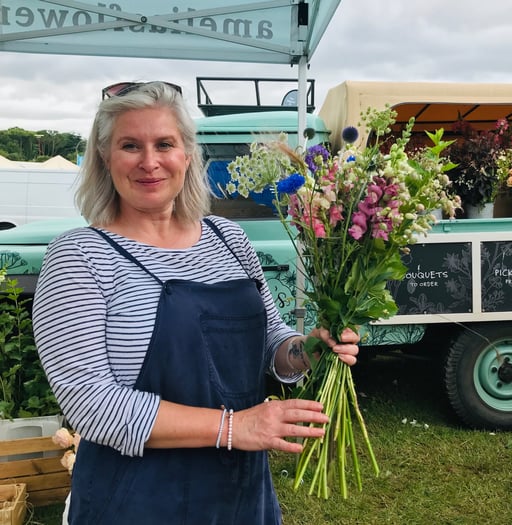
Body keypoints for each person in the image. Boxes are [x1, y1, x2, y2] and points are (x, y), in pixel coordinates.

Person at [32, 81, 359, 525]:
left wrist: (308, 350)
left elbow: (271, 342)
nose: (150, 161)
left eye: (164, 144)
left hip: (239, 496)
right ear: (106, 158)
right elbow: (91, 405)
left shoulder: (230, 240)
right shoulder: (80, 256)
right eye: (130, 145)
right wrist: (236, 427)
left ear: (187, 154)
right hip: (135, 501)